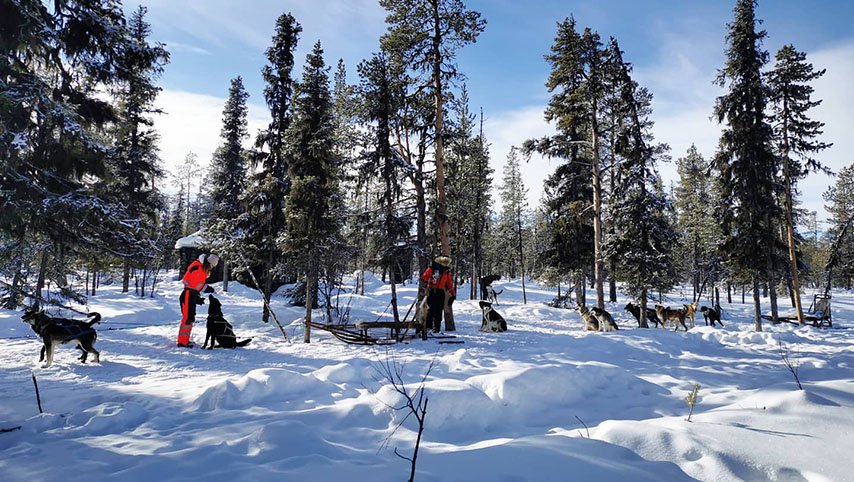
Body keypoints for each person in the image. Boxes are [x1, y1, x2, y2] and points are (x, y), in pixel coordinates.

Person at [176, 253, 219, 347]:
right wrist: (210, 289)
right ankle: (182, 342)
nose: (210, 269)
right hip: (188, 295)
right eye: (211, 266)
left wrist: (196, 298)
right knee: (187, 319)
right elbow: (198, 285)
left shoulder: (199, 266)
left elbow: (194, 285)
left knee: (190, 318)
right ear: (209, 263)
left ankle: (184, 340)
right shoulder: (199, 268)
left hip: (190, 295)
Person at [420, 255, 455, 334]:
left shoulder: (447, 272)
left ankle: (437, 329)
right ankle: (428, 328)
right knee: (431, 310)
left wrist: (452, 293)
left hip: (440, 292)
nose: (446, 264)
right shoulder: (432, 268)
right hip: (431, 290)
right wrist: (431, 280)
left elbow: (449, 284)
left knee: (439, 311)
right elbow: (424, 278)